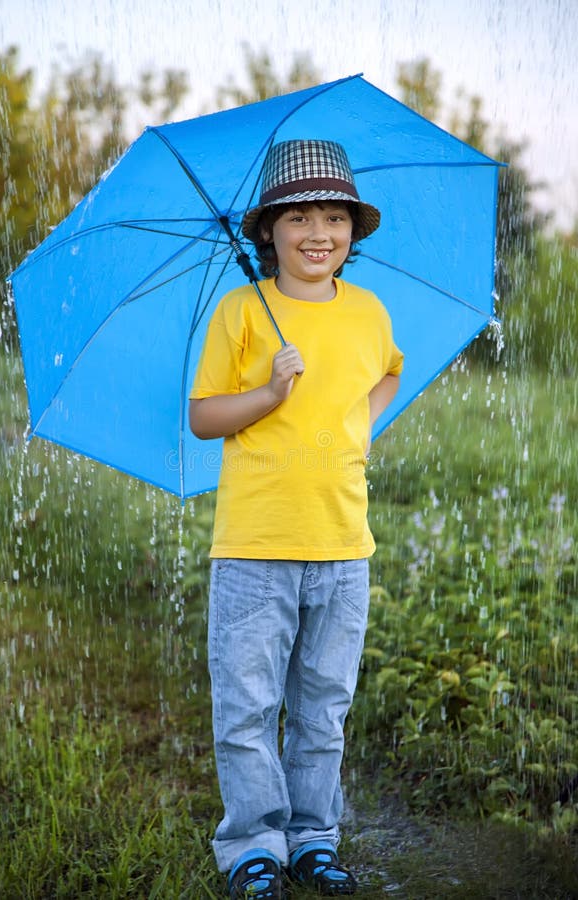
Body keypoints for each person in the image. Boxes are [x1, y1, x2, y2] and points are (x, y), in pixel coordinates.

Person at [189, 139, 403, 899]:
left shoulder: (369, 313)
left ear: (354, 230)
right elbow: (205, 416)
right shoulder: (243, 312)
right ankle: (253, 843)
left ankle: (314, 835)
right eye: (301, 216)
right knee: (248, 704)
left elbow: (386, 375)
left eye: (336, 216)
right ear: (268, 230)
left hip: (344, 546)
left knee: (323, 706)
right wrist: (271, 397)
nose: (320, 233)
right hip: (254, 546)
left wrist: (356, 430)